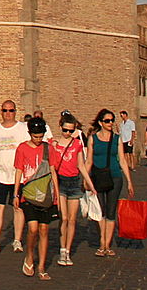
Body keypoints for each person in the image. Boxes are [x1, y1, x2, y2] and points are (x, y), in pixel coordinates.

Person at [13, 117, 58, 280]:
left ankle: (42, 267)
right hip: (29, 194)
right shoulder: (22, 148)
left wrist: (57, 196)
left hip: (46, 193)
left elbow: (53, 171)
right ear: (29, 134)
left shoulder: (48, 149)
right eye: (35, 136)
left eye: (40, 136)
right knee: (32, 228)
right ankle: (30, 255)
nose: (38, 140)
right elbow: (18, 171)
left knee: (44, 230)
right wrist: (16, 193)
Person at [87, 107, 135, 257]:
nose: (110, 123)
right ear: (101, 123)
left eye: (112, 120)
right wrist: (86, 179)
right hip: (98, 177)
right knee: (100, 210)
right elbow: (88, 160)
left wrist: (129, 181)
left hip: (115, 177)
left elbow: (122, 160)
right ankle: (102, 241)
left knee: (111, 211)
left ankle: (107, 245)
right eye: (107, 121)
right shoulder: (93, 139)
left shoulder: (117, 139)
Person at [0, 100, 28, 253]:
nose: (8, 114)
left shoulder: (23, 129)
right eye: (5, 111)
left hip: (19, 176)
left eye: (11, 110)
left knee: (18, 208)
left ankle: (17, 240)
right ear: (1, 112)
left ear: (16, 112)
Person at [51, 113, 93, 267]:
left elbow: (81, 165)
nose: (67, 133)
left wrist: (90, 184)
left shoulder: (77, 144)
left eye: (70, 131)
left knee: (73, 219)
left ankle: (68, 250)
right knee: (64, 218)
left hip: (74, 182)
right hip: (60, 182)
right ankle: (62, 249)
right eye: (65, 130)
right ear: (60, 127)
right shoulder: (53, 143)